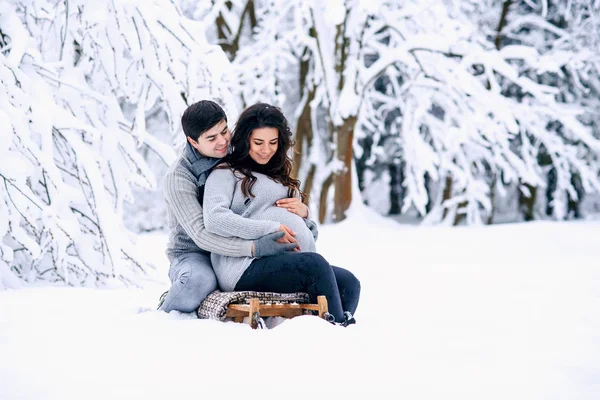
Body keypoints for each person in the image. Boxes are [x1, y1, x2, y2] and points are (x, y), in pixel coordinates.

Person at [202, 103, 360, 325]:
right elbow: (214, 219)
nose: (266, 149)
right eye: (258, 142)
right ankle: (334, 334)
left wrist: (304, 216)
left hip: (286, 261)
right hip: (243, 265)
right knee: (315, 266)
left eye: (272, 142)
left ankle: (331, 328)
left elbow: (306, 236)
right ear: (245, 139)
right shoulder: (225, 174)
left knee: (349, 282)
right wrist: (270, 229)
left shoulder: (281, 177)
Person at [159, 100, 299, 313]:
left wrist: (301, 214)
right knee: (199, 282)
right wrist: (254, 247)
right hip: (195, 252)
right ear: (193, 142)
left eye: (224, 131)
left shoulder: (235, 152)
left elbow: (269, 186)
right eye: (212, 138)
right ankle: (165, 314)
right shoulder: (179, 178)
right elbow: (201, 234)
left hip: (240, 236)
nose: (223, 141)